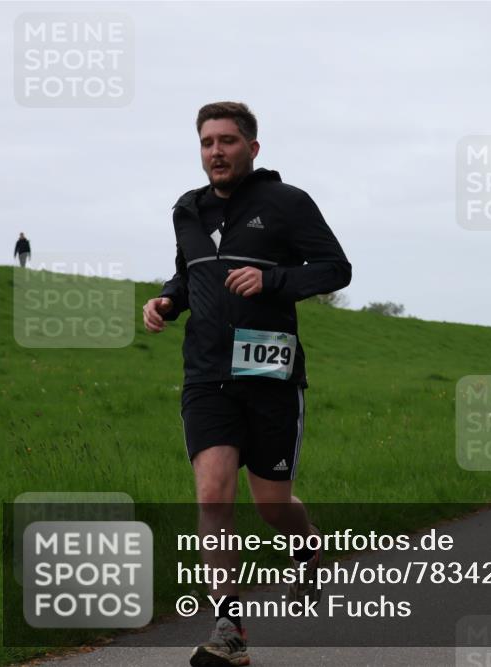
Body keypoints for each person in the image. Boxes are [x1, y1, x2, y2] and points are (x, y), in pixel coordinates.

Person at [142, 102, 351, 667]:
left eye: (228, 140)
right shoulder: (187, 210)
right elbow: (189, 274)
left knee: (273, 504)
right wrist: (166, 299)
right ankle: (228, 627)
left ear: (252, 148)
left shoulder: (286, 203)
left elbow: (336, 269)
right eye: (208, 141)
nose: (217, 151)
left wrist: (273, 278)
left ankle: (309, 547)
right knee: (212, 493)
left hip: (270, 373)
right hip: (206, 373)